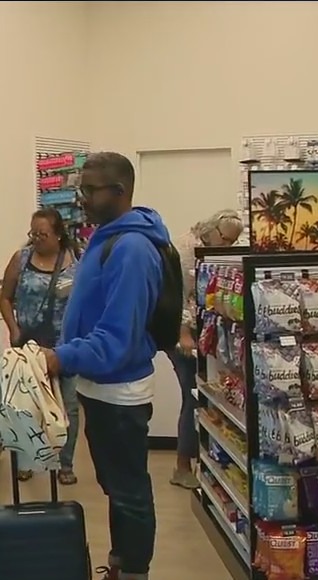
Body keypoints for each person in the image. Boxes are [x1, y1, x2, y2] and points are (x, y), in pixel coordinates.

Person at [41, 152, 171, 580]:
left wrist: (61, 357)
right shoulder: (108, 237)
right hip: (99, 388)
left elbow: (117, 339)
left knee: (129, 492)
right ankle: (121, 562)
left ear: (119, 192)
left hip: (119, 392)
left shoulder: (131, 248)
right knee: (116, 488)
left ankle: (134, 571)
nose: (81, 198)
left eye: (90, 189)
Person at [0, 208, 79, 484]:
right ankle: (26, 459)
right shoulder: (20, 259)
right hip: (28, 346)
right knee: (25, 404)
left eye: (42, 234)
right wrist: (14, 329)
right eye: (32, 233)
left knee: (67, 407)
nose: (35, 239)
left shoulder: (75, 262)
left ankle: (65, 465)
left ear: (58, 235)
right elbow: (5, 297)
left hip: (64, 347)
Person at [168, 209, 243, 490]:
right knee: (193, 396)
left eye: (234, 242)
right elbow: (177, 296)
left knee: (210, 397)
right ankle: (182, 466)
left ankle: (210, 463)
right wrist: (184, 334)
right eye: (226, 240)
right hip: (183, 337)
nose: (229, 247)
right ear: (212, 230)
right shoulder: (185, 250)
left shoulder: (212, 251)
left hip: (207, 333)